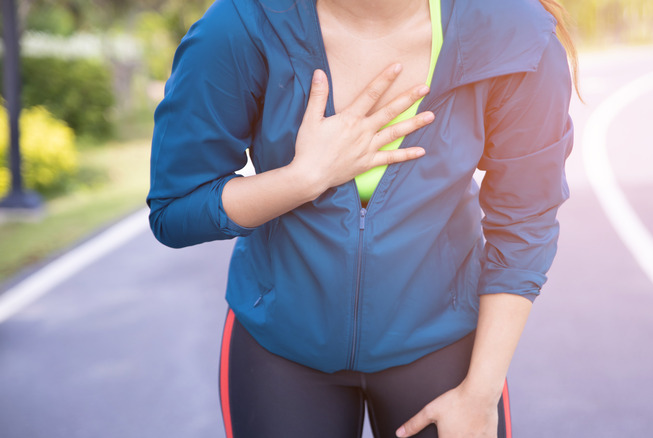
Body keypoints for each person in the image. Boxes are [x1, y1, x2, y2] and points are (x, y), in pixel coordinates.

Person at [146, 0, 576, 436]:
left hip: (445, 347)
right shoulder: (241, 24)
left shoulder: (516, 32)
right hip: (279, 350)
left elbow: (525, 223)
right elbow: (175, 208)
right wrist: (303, 179)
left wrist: (480, 393)